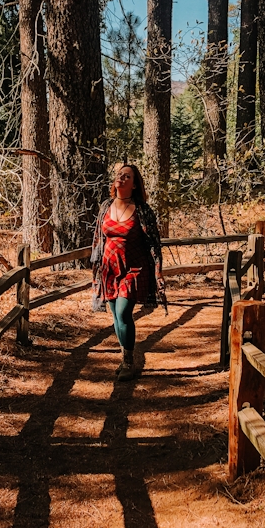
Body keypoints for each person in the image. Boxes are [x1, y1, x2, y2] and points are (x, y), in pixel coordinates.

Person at [90, 163, 166, 380]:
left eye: (127, 176)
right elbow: (98, 239)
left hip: (134, 268)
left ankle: (128, 361)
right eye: (119, 175)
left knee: (123, 312)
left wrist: (158, 272)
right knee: (115, 315)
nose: (121, 178)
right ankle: (125, 356)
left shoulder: (142, 210)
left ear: (134, 185)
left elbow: (154, 243)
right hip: (109, 269)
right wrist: (95, 268)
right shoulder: (106, 206)